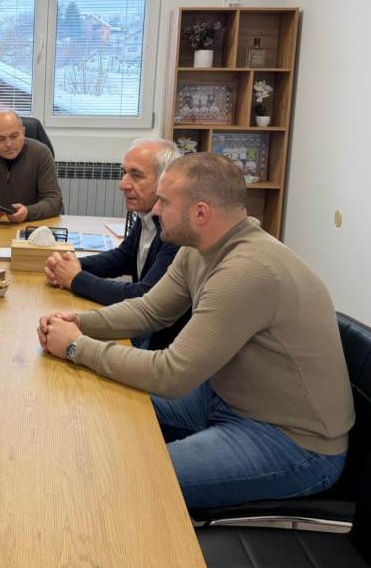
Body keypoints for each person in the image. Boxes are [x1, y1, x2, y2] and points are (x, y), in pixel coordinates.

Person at [38, 153, 354, 510]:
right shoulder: (200, 248)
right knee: (98, 406)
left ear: (200, 213)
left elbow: (171, 374)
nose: (155, 210)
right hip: (225, 398)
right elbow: (150, 310)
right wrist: (80, 323)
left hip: (292, 442)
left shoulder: (247, 270)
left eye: (164, 202)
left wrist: (76, 347)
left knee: (132, 481)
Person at [44, 137, 188, 349]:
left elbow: (144, 296)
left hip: (161, 343)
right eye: (124, 173)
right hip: (144, 330)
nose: (122, 184)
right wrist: (70, 265)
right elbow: (123, 257)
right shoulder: (148, 213)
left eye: (136, 175)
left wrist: (76, 278)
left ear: (165, 181)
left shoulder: (177, 230)